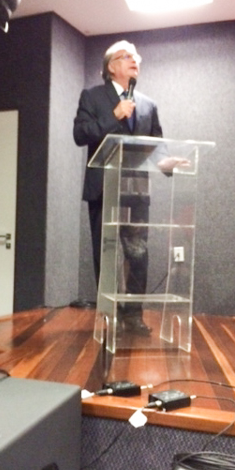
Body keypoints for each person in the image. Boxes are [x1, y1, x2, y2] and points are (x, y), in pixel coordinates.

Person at [74, 40, 184, 336]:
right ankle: (110, 316)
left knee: (138, 255)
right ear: (111, 66)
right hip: (105, 189)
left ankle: (133, 316)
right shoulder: (93, 97)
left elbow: (156, 143)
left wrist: (166, 163)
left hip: (137, 191)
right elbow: (80, 134)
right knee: (107, 255)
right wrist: (114, 116)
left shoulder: (148, 104)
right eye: (128, 56)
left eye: (137, 57)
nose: (135, 60)